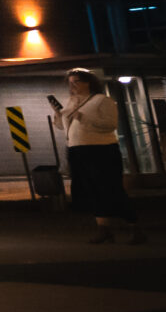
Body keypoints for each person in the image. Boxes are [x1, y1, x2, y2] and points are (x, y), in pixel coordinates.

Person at [59, 69, 143, 244]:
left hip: (101, 150)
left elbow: (110, 124)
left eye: (76, 82)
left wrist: (82, 117)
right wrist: (58, 114)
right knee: (91, 190)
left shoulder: (102, 100)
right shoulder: (71, 102)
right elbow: (63, 127)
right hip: (77, 149)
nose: (72, 86)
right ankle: (103, 229)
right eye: (70, 83)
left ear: (88, 82)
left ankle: (134, 227)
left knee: (110, 188)